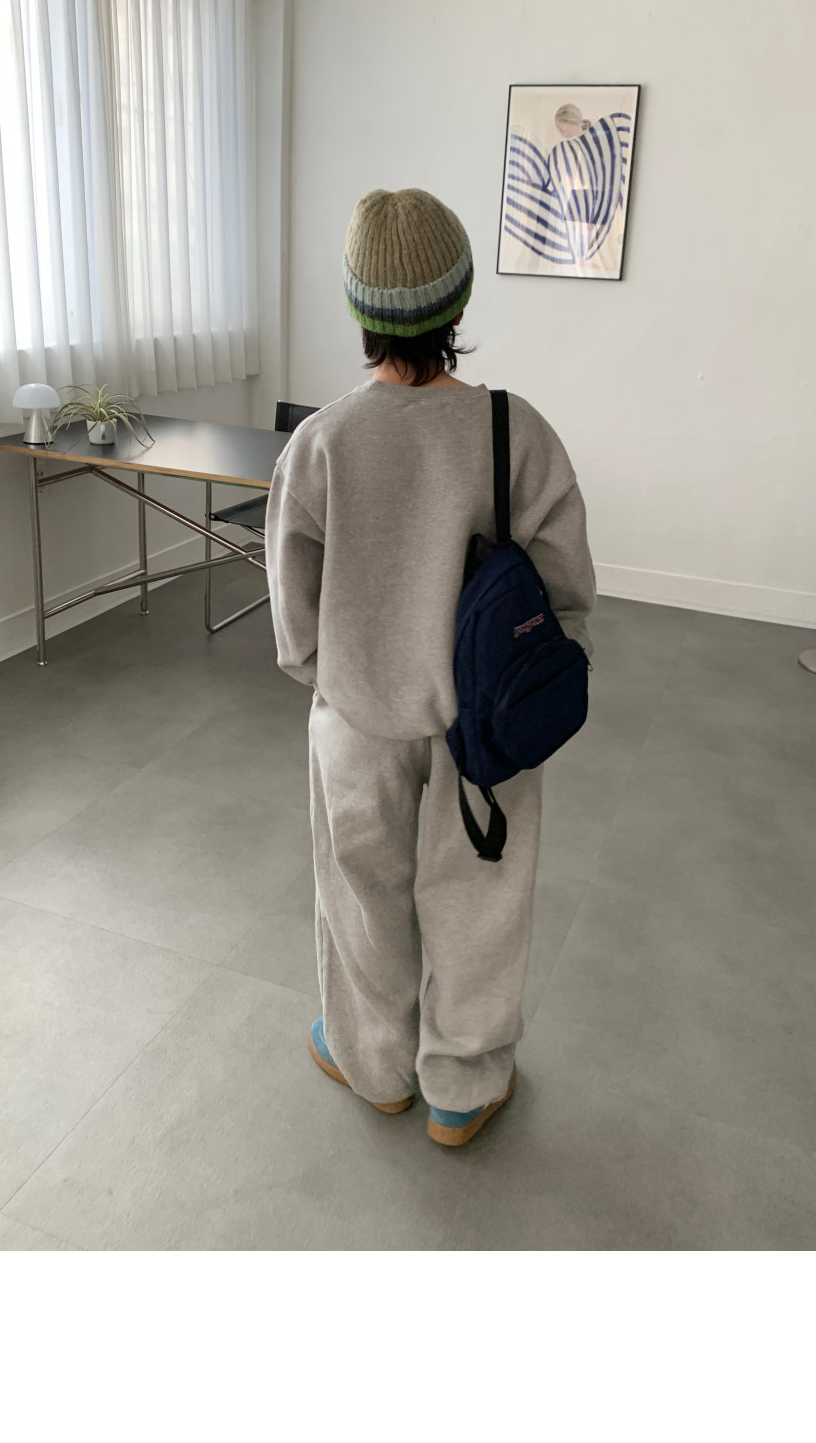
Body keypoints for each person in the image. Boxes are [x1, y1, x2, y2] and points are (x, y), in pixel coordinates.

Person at [264, 188, 596, 1146]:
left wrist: (345, 677)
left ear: (357, 307)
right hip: (485, 728)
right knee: (481, 904)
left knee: (360, 896)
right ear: (460, 301)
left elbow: (294, 619)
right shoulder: (516, 430)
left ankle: (373, 1066)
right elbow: (567, 589)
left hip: (357, 721)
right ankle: (463, 1085)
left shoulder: (321, 441)